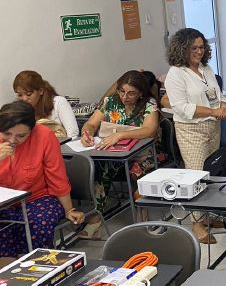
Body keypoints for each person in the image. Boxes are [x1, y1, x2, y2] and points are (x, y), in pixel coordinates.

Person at [165, 28, 226, 244]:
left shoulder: (206, 68)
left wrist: (223, 106)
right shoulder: (176, 73)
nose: (199, 51)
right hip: (191, 130)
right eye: (193, 48)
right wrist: (214, 111)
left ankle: (207, 215)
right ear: (182, 49)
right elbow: (182, 107)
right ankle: (196, 223)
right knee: (195, 176)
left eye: (202, 47)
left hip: (213, 127)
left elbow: (218, 94)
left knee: (210, 172)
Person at [80, 70, 162, 232]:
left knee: (138, 170)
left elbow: (149, 130)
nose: (125, 97)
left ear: (140, 93)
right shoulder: (110, 101)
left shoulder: (149, 104)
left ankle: (143, 216)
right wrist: (86, 133)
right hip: (114, 152)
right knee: (101, 170)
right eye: (122, 91)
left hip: (144, 152)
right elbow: (91, 123)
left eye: (131, 93)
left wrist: (119, 135)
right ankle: (97, 215)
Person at [0, 101, 84, 257]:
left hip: (38, 198)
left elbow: (57, 177)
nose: (12, 140)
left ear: (31, 130)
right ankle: (7, 266)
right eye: (6, 134)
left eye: (21, 136)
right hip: (4, 203)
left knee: (39, 224)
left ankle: (36, 263)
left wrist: (69, 209)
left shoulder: (44, 136)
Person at [13, 71, 79, 139]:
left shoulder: (59, 102)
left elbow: (73, 134)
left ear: (40, 91)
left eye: (28, 94)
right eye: (20, 95)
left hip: (61, 144)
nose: (24, 99)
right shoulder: (18, 110)